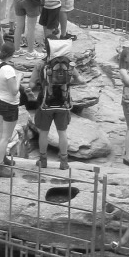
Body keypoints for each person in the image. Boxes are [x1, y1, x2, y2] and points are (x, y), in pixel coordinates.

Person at [33, 39, 73, 170]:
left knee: (44, 132)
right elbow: (80, 80)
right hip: (63, 104)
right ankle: (64, 162)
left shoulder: (41, 64)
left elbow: (32, 84)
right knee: (62, 133)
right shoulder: (68, 64)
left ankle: (43, 160)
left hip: (46, 104)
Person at [0, 51, 21, 178]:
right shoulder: (8, 69)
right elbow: (14, 91)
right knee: (6, 136)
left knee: (1, 132)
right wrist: (19, 78)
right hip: (9, 104)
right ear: (11, 54)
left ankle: (2, 158)